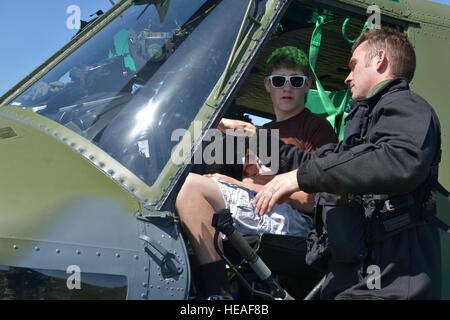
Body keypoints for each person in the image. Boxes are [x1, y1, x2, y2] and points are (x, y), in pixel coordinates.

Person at [252, 27, 446, 299]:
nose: (347, 77)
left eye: (354, 66)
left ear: (379, 59)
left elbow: (401, 159)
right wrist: (255, 138)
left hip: (391, 286)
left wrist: (300, 177)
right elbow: (323, 161)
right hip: (356, 281)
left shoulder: (407, 106)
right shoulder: (368, 121)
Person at [175, 46, 338, 299]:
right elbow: (250, 183)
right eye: (278, 81)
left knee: (193, 188)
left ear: (306, 85)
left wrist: (229, 183)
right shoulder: (262, 131)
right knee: (189, 193)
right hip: (262, 211)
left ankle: (219, 294)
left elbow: (313, 200)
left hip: (298, 223)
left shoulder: (317, 128)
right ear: (267, 85)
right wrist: (227, 183)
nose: (287, 88)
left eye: (295, 81)